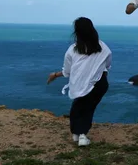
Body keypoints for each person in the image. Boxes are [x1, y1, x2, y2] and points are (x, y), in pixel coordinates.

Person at [47, 17, 111, 147]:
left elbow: (67, 72)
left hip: (81, 83)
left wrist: (55, 75)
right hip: (99, 83)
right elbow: (108, 64)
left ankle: (80, 135)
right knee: (87, 107)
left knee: (79, 107)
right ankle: (79, 134)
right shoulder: (103, 47)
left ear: (77, 32)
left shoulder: (72, 50)